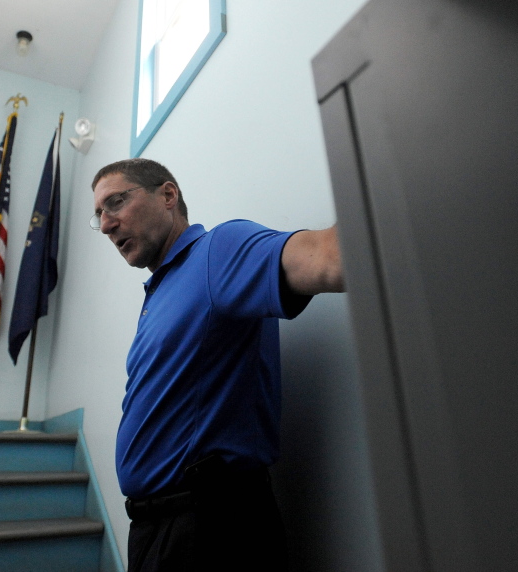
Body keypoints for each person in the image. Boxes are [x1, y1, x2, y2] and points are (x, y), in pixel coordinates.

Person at [90, 158, 344, 572]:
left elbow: (324, 256)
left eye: (115, 203)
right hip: (156, 530)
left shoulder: (216, 251)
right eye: (99, 214)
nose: (105, 224)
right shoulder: (159, 292)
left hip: (209, 529)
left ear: (168, 195)